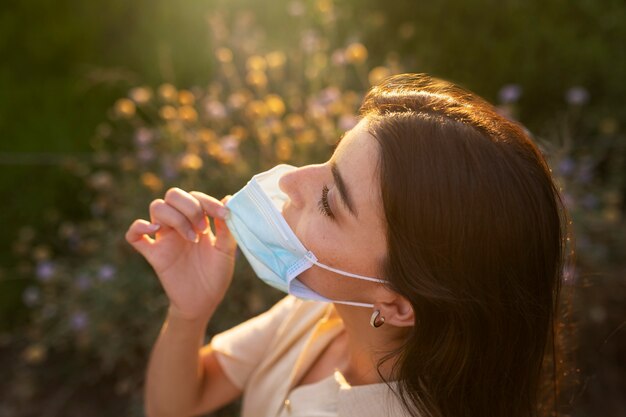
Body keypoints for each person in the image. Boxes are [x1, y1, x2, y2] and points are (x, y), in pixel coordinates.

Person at [125, 73, 570, 417]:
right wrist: (189, 312)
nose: (290, 179)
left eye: (329, 201)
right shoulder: (324, 310)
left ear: (397, 304)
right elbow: (178, 404)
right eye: (329, 159)